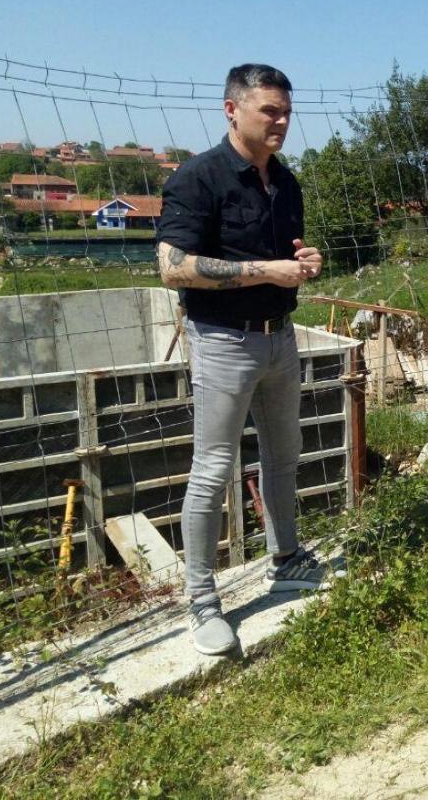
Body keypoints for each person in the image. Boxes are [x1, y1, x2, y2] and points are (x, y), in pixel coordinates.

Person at [156, 63, 327, 656]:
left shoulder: (286, 181)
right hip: (224, 341)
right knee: (212, 470)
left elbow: (284, 255)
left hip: (281, 337)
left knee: (284, 458)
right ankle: (202, 601)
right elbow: (173, 267)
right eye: (269, 111)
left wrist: (304, 260)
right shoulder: (197, 179)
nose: (281, 121)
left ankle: (287, 558)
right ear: (232, 109)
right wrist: (264, 270)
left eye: (286, 111)